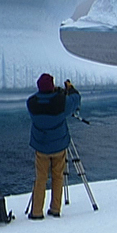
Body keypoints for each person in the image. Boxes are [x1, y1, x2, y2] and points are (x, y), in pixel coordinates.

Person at [26, 73, 81, 220]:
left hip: (41, 147)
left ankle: (37, 211)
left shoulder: (31, 102)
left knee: (40, 179)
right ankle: (55, 209)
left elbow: (44, 102)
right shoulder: (61, 102)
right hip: (59, 146)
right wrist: (70, 89)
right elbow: (76, 100)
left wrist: (53, 93)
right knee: (58, 177)